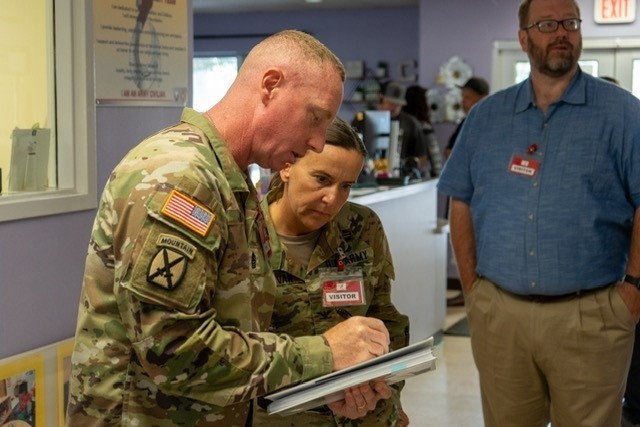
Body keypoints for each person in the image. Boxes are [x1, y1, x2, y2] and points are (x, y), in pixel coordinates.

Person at [66, 30, 392, 426]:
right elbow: (173, 351)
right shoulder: (183, 178)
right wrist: (324, 353)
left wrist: (319, 391)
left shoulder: (231, 182)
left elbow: (236, 337)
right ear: (271, 85)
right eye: (316, 117)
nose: (318, 142)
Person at [437, 0, 640, 425]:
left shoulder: (624, 115)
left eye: (570, 22)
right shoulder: (485, 117)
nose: (561, 32)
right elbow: (461, 198)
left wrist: (634, 288)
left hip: (591, 317)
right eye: (547, 24)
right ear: (523, 38)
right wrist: (472, 288)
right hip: (501, 316)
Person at [254, 117, 410, 426]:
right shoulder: (244, 236)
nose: (332, 199)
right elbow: (233, 351)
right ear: (286, 167)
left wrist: (389, 390)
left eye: (346, 186)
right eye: (321, 179)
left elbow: (386, 320)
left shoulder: (362, 227)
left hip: (365, 415)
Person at [378, 81, 429, 178]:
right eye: (390, 103)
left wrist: (411, 164)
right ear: (382, 100)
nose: (392, 107)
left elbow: (423, 157)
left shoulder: (412, 123)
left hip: (402, 177)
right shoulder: (369, 119)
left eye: (397, 104)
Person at [403, 85, 443, 177]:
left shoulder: (405, 125)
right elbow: (435, 157)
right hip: (422, 176)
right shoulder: (424, 127)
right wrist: (437, 176)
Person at [444, 76, 489, 159]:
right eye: (462, 97)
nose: (463, 102)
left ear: (482, 98)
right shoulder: (466, 122)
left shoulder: (491, 124)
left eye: (467, 98)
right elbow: (448, 151)